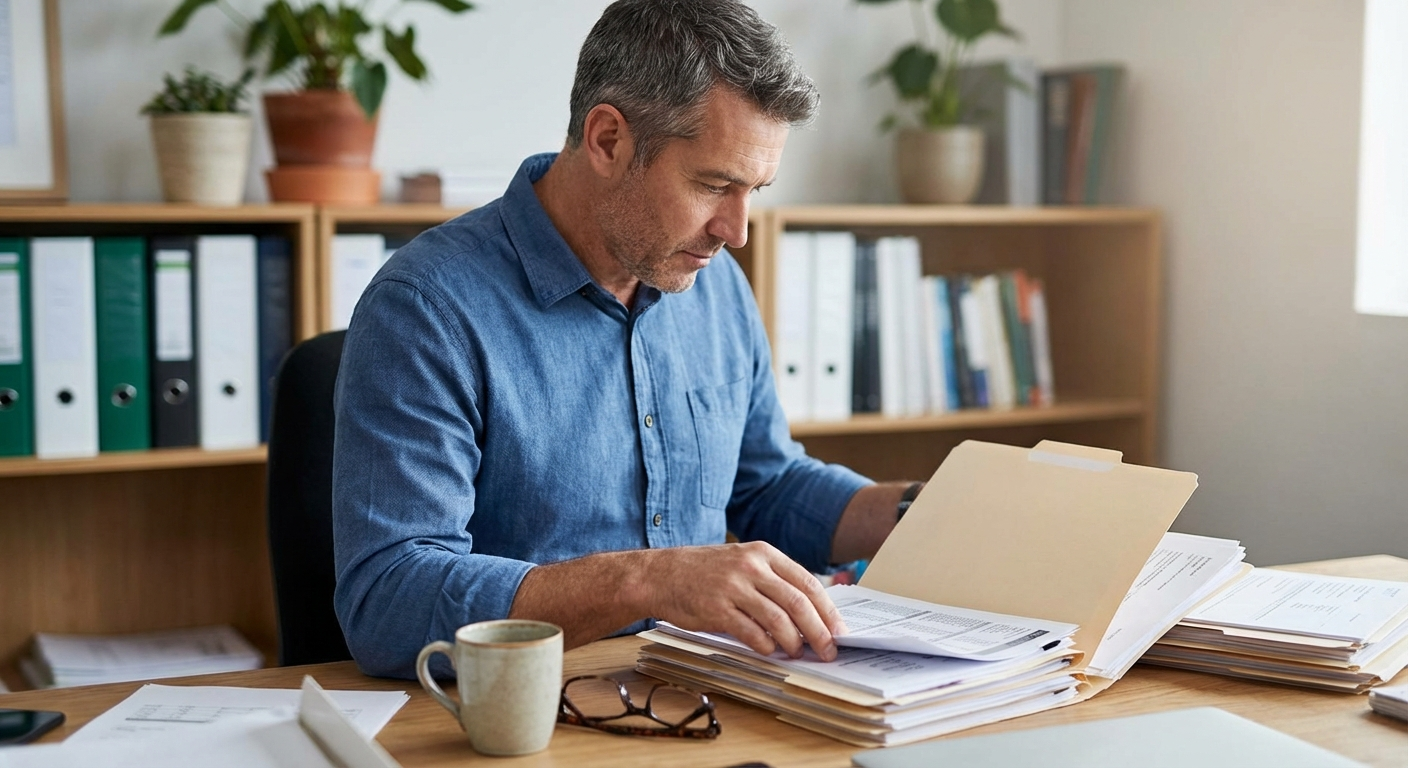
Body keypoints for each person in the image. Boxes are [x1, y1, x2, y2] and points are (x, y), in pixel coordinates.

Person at [332, 0, 921, 680]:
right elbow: (388, 599)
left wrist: (930, 513)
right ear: (608, 140)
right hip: (515, 722)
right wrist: (646, 581)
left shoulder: (714, 283)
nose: (738, 231)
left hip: (694, 700)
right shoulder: (428, 307)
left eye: (756, 189)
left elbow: (767, 486)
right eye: (713, 185)